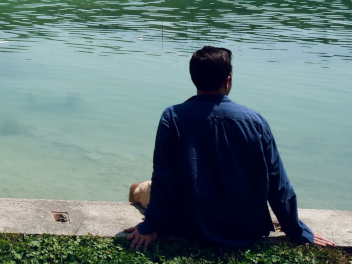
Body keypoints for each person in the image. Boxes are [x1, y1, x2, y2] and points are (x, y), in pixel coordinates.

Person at [123, 46, 335, 250]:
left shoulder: (173, 117)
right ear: (228, 80)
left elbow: (164, 178)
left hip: (189, 226)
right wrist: (296, 230)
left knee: (136, 188)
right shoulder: (255, 121)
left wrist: (150, 226)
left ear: (193, 78)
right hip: (246, 230)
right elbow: (277, 183)